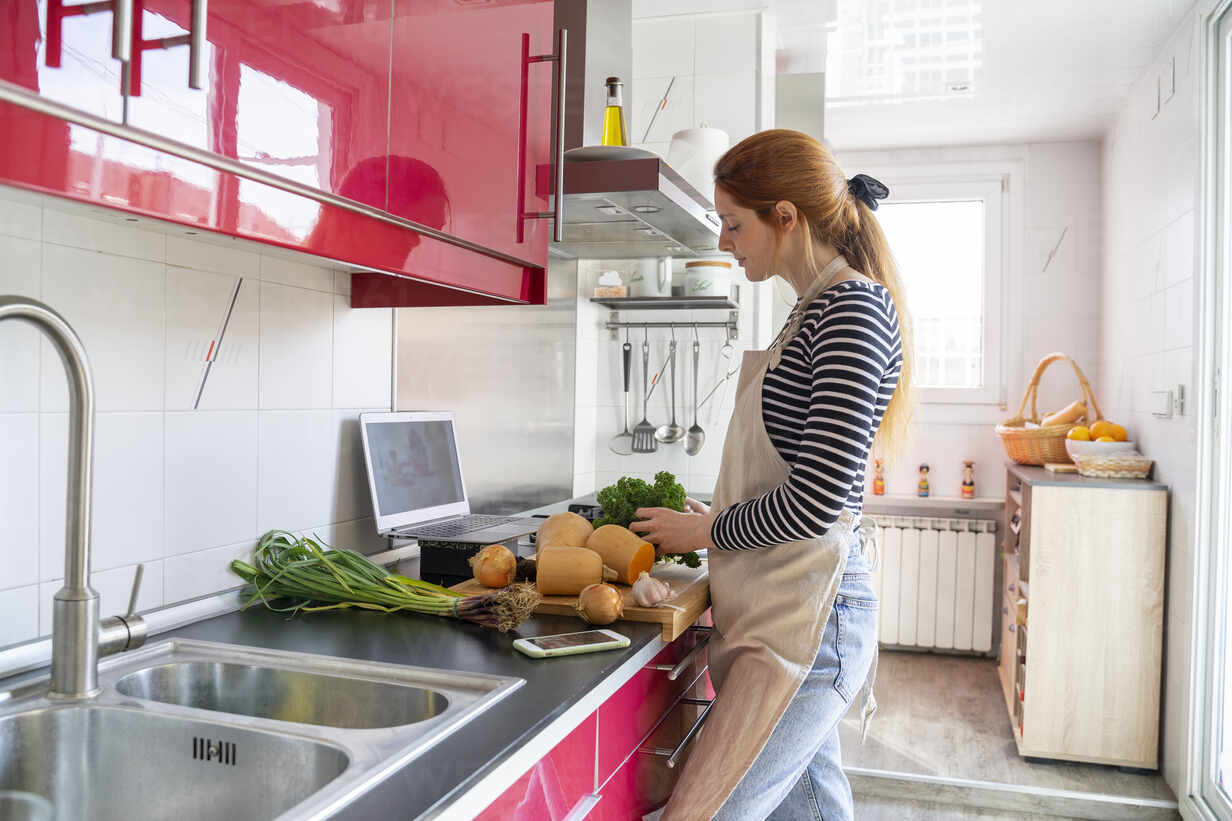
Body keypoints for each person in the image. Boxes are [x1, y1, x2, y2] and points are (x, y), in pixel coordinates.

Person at [630, 129, 913, 821]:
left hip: (812, 620)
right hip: (783, 608)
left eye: (732, 223)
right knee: (811, 809)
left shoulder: (852, 310)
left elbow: (816, 501)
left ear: (786, 216)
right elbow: (793, 470)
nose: (724, 243)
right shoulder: (812, 309)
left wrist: (708, 525)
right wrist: (720, 508)